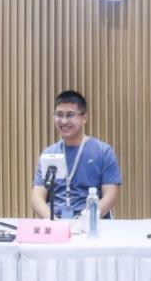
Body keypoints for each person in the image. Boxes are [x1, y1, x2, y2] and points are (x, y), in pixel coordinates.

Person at [31, 90, 121, 219]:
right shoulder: (49, 153)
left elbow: (111, 195)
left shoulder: (103, 151)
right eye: (59, 115)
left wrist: (86, 219)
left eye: (70, 115)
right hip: (55, 220)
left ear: (84, 118)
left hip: (92, 221)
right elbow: (37, 197)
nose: (63, 121)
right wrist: (53, 221)